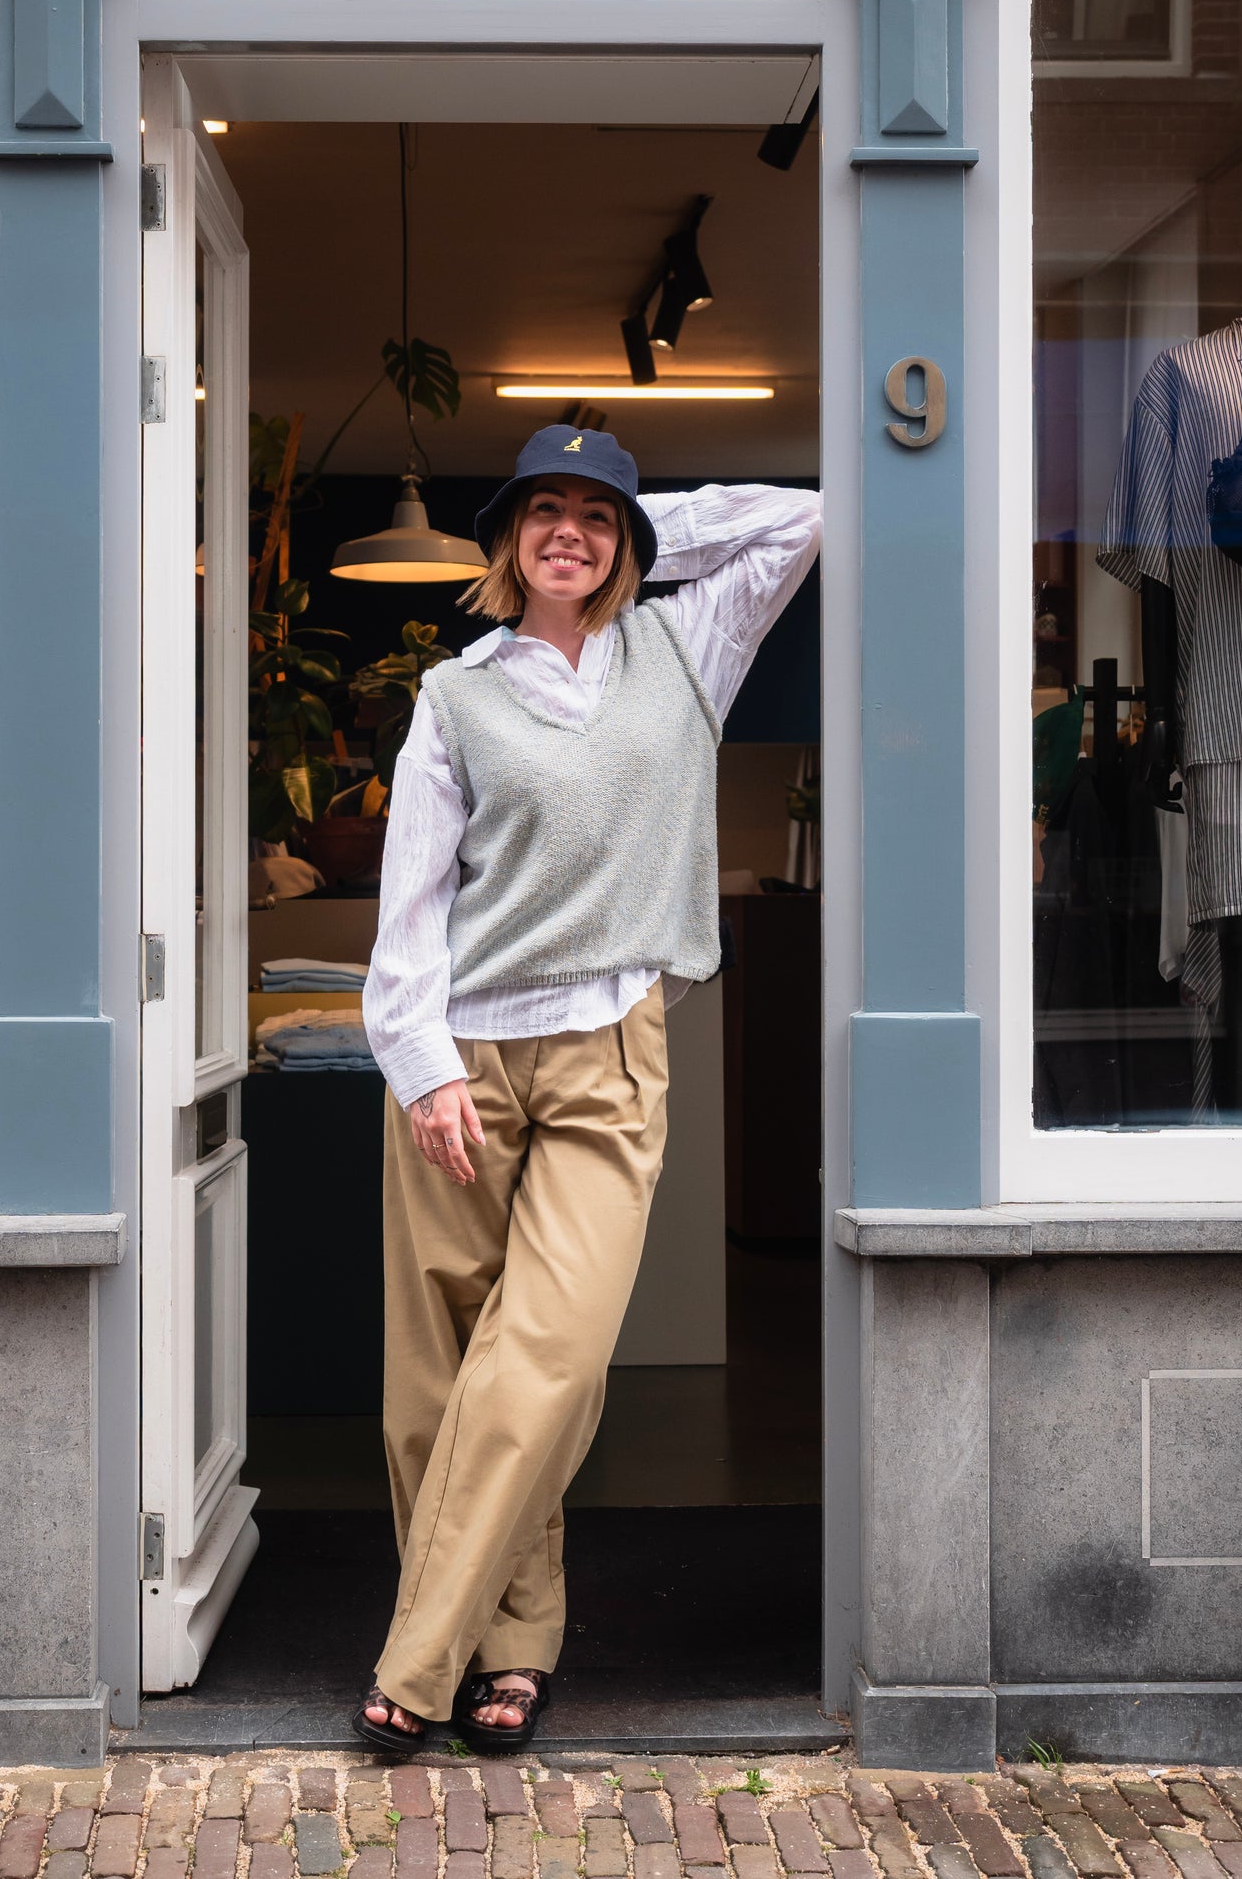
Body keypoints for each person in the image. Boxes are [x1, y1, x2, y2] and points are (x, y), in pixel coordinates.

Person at [354, 425, 822, 1753]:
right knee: (436, 1386)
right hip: (460, 1061)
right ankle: (512, 1647)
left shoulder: (687, 647)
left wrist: (636, 518)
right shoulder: (455, 696)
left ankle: (417, 1659)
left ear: (629, 543)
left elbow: (801, 518)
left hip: (609, 1052)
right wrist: (422, 1067)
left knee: (545, 1361)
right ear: (505, 538)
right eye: (543, 511)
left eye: (595, 517)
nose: (570, 531)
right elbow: (410, 905)